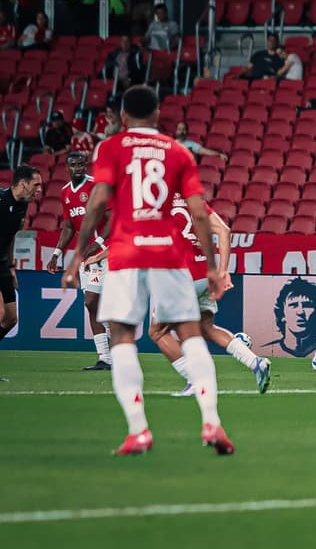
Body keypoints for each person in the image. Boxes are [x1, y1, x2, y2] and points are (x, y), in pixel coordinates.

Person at [60, 85, 235, 455]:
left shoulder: (109, 148)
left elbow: (95, 205)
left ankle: (138, 430)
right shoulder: (178, 152)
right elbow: (200, 214)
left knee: (122, 337)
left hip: (126, 254)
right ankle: (211, 422)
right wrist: (215, 267)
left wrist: (78, 253)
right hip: (170, 258)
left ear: (123, 118)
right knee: (192, 333)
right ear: (158, 116)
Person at [149, 193, 271, 395]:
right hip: (205, 274)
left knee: (157, 332)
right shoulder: (195, 202)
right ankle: (255, 362)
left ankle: (195, 380)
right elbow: (224, 230)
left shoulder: (156, 201)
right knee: (206, 328)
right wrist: (223, 271)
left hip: (180, 276)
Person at [46, 152, 112, 371]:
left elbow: (114, 218)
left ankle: (113, 352)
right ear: (67, 167)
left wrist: (99, 242)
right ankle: (105, 358)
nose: (78, 168)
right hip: (86, 257)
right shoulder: (65, 192)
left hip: (107, 252)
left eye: (81, 164)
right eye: (73, 165)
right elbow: (68, 227)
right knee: (91, 304)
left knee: (94, 301)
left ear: (86, 166)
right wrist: (57, 253)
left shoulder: (97, 187)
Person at [0, 166, 42, 343]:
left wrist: (11, 267)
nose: (40, 189)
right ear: (23, 184)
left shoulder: (22, 206)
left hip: (1, 264)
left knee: (10, 319)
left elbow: (11, 238)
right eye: (36, 184)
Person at [266, 277, 316, 357]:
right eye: (293, 305)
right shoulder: (264, 352)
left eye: (307, 305)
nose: (300, 312)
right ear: (282, 314)